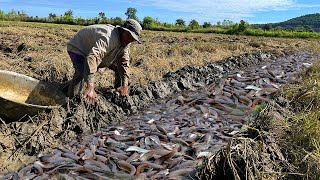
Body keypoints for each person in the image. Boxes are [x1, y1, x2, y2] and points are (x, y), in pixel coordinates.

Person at [66, 19, 142, 103]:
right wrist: (91, 86)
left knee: (118, 67)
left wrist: (125, 85)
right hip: (79, 48)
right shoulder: (109, 37)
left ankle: (118, 92)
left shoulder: (126, 42)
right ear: (122, 31)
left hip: (97, 52)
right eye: (128, 36)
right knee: (81, 72)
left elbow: (124, 63)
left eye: (132, 39)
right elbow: (93, 57)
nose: (129, 40)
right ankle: (72, 100)